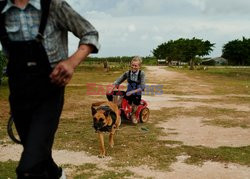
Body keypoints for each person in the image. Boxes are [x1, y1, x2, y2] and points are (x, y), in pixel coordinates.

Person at [0, 0, 100, 178]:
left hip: (49, 90)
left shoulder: (55, 6)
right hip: (18, 93)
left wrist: (71, 62)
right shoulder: (1, 11)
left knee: (29, 167)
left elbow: (90, 33)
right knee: (39, 153)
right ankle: (58, 175)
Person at [107, 56, 145, 123]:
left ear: (139, 66)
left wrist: (132, 92)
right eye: (132, 65)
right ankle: (116, 111)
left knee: (135, 99)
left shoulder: (141, 74)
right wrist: (113, 87)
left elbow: (142, 87)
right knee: (112, 95)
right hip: (128, 92)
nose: (133, 67)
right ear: (130, 64)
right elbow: (119, 80)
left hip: (137, 93)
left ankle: (133, 115)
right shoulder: (128, 73)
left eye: (135, 65)